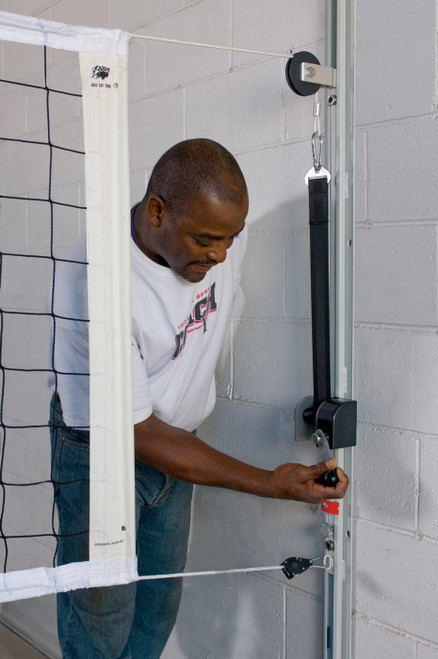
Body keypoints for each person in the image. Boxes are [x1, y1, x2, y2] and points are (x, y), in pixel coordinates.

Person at [49, 138, 349, 659]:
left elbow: (159, 427)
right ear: (157, 210)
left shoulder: (217, 237)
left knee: (158, 603)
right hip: (101, 455)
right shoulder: (96, 282)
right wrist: (267, 482)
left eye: (231, 237)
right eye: (208, 239)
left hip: (178, 447)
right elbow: (137, 433)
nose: (220, 254)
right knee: (103, 618)